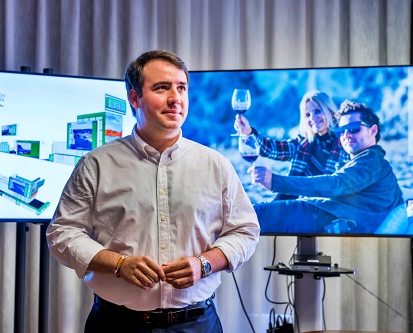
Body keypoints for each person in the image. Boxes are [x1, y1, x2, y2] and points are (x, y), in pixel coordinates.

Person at [46, 50, 260, 332]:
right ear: (135, 98)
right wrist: (118, 264)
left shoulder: (215, 165)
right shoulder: (96, 164)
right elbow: (62, 234)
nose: (175, 99)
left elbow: (245, 231)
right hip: (116, 324)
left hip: (197, 324)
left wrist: (204, 264)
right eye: (162, 88)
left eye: (181, 88)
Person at [251, 100, 404, 234]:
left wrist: (275, 181)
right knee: (251, 216)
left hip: (325, 218)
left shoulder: (372, 160)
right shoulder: (371, 164)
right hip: (325, 216)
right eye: (341, 131)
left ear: (373, 130)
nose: (346, 135)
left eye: (354, 128)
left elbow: (336, 183)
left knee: (252, 216)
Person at [234, 90, 349, 200]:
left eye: (318, 111)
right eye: (307, 114)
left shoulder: (345, 143)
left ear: (331, 112)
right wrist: (249, 132)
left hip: (325, 206)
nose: (312, 118)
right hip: (295, 201)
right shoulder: (302, 144)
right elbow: (271, 149)